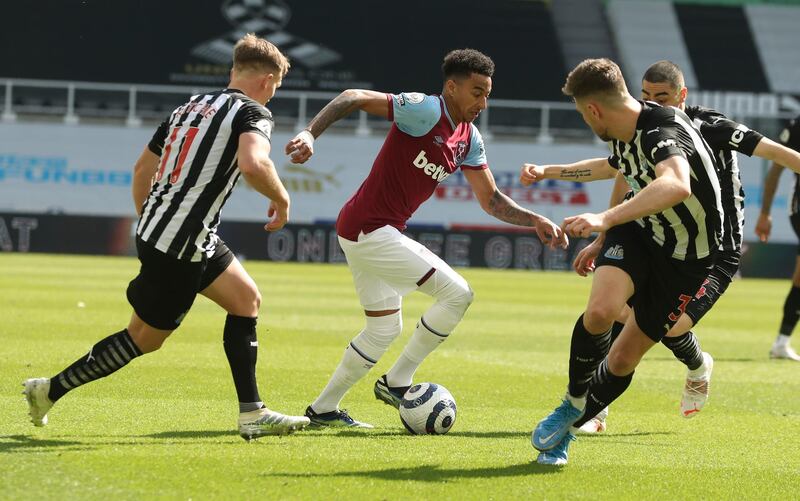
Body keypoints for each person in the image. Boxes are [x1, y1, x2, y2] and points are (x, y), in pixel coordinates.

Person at [22, 34, 310, 440]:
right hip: (182, 243)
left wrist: (153, 221)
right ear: (266, 80)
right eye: (276, 88)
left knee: (246, 300)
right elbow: (253, 162)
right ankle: (49, 389)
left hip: (175, 233)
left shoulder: (188, 108)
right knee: (143, 339)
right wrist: (282, 199)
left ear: (234, 71)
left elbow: (142, 169)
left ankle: (252, 412)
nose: (273, 95)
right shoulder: (253, 113)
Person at [284, 49, 568, 428]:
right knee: (458, 294)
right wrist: (309, 132)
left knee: (384, 327)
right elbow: (351, 97)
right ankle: (397, 382)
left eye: (487, 93)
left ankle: (322, 411)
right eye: (476, 92)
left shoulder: (469, 138)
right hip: (371, 228)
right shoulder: (425, 110)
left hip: (368, 229)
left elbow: (491, 200)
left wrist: (534, 219)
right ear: (451, 87)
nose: (483, 102)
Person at [522, 60, 800, 432]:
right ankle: (588, 408)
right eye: (647, 96)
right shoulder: (632, 123)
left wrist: (604, 221)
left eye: (663, 97)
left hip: (710, 248)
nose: (653, 102)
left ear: (682, 95)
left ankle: (698, 363)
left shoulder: (704, 127)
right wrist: (602, 229)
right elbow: (623, 172)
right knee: (607, 309)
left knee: (669, 327)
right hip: (648, 229)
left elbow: (775, 154)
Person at [527, 58, 723, 465]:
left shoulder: (662, 129)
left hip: (686, 259)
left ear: (594, 109)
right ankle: (572, 405)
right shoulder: (623, 127)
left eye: (583, 114)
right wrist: (551, 171)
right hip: (640, 229)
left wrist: (605, 217)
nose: (586, 121)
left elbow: (676, 183)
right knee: (600, 312)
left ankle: (569, 426)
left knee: (621, 359)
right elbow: (609, 167)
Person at [756, 114, 800, 361]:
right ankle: (781, 343)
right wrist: (764, 213)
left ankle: (781, 343)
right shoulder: (798, 125)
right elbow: (775, 170)